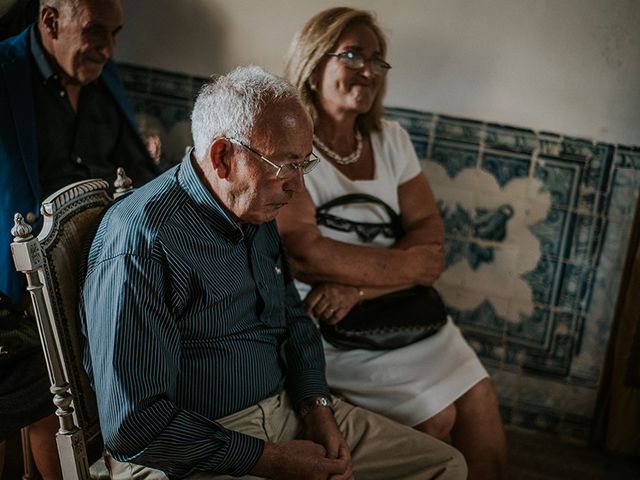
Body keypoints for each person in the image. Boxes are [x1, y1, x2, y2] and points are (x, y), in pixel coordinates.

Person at [80, 65, 467, 480]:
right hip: (185, 449)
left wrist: (317, 406)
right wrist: (270, 460)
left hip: (284, 412)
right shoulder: (142, 241)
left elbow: (294, 320)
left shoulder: (256, 210)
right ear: (223, 157)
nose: (297, 187)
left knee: (445, 465)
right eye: (285, 165)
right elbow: (134, 426)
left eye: (305, 164)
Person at [278, 7, 509, 479]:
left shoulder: (391, 139)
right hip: (331, 323)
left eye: (378, 60)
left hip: (402, 310)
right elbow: (306, 253)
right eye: (353, 55)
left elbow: (431, 242)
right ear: (313, 62)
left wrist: (363, 286)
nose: (368, 69)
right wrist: (409, 265)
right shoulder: (292, 144)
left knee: (482, 403)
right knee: (435, 420)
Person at [0, 0, 157, 477]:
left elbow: (143, 174)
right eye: (95, 32)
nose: (108, 49)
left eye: (116, 34)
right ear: (50, 20)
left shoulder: (101, 78)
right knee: (49, 388)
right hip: (17, 281)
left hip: (99, 269)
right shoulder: (5, 73)